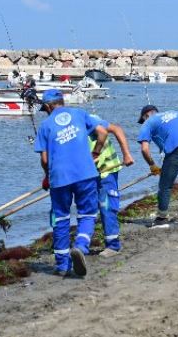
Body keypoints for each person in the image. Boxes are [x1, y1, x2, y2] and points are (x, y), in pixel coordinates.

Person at [34, 89, 108, 276]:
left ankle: (62, 265)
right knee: (87, 214)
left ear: (49, 106)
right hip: (85, 173)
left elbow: (44, 159)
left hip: (59, 178)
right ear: (62, 102)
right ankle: (81, 246)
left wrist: (47, 176)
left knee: (60, 218)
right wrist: (96, 153)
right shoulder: (80, 113)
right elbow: (102, 132)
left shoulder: (45, 125)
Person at [137, 105, 178, 229]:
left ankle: (162, 219)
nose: (143, 123)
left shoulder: (148, 123)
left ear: (146, 116)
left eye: (143, 120)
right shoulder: (175, 113)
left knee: (165, 185)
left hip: (177, 148)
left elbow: (145, 149)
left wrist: (152, 165)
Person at [87, 114, 135, 257]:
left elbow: (116, 129)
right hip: (88, 173)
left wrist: (126, 154)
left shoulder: (88, 120)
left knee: (106, 205)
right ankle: (84, 242)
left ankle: (113, 246)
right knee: (88, 207)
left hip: (106, 169)